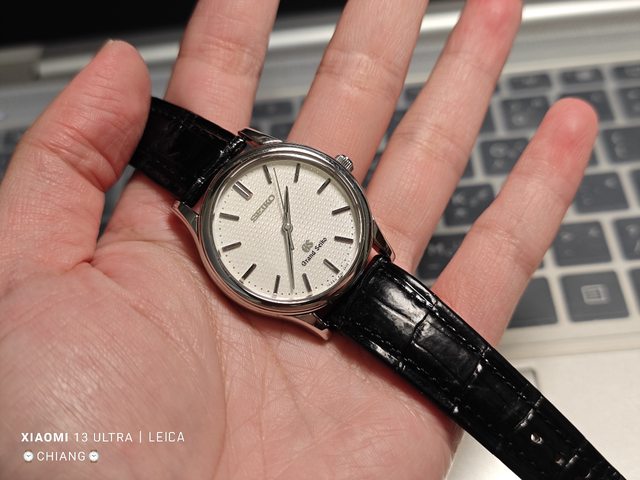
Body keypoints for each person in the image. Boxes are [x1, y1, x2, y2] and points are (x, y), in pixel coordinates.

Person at [0, 0, 598, 478]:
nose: (286, 229)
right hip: (317, 299)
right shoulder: (207, 229)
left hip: (355, 274)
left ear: (336, 171)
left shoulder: (296, 185)